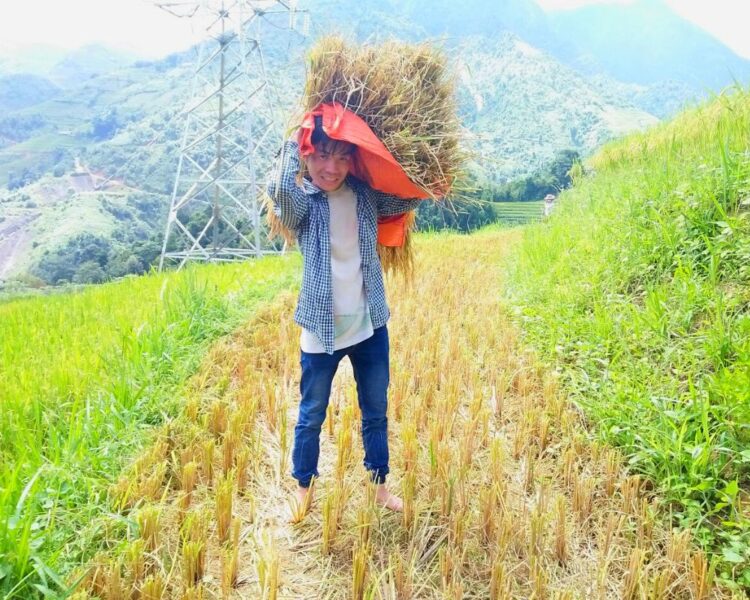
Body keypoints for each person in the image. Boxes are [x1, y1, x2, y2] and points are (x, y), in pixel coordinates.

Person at [267, 117, 423, 516]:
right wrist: (293, 139)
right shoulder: (303, 202)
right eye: (321, 155)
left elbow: (409, 196)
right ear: (308, 155)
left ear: (353, 161)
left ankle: (379, 487)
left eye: (340, 157)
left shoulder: (365, 195)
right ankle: (304, 487)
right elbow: (280, 190)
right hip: (322, 329)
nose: (330, 168)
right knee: (312, 413)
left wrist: (410, 156)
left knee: (375, 409)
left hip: (370, 324)